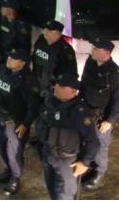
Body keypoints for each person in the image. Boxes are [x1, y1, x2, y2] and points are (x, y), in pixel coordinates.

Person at [36, 72, 98, 200]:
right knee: (51, 188)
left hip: (66, 161)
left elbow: (92, 140)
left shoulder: (79, 112)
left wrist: (85, 162)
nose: (57, 87)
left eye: (62, 86)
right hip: (49, 154)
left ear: (73, 91)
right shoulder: (51, 102)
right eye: (57, 84)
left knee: (64, 193)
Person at [0, 48, 41, 196]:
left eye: (14, 58)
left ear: (23, 63)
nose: (9, 59)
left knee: (14, 152)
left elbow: (34, 107)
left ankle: (15, 178)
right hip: (0, 116)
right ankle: (8, 171)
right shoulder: (4, 71)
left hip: (15, 122)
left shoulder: (29, 81)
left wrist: (25, 124)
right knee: (1, 147)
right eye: (9, 57)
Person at [80, 37, 119, 191]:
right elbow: (84, 84)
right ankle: (88, 167)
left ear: (106, 52)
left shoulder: (115, 74)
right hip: (85, 110)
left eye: (95, 49)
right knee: (86, 141)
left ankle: (99, 173)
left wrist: (110, 121)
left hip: (100, 118)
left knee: (101, 146)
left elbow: (118, 101)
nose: (92, 50)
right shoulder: (91, 62)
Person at [32, 20, 77, 100]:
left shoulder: (65, 50)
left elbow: (70, 74)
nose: (45, 31)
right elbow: (35, 59)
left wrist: (57, 89)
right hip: (36, 83)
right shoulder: (41, 41)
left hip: (50, 90)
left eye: (49, 30)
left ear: (58, 33)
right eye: (45, 29)